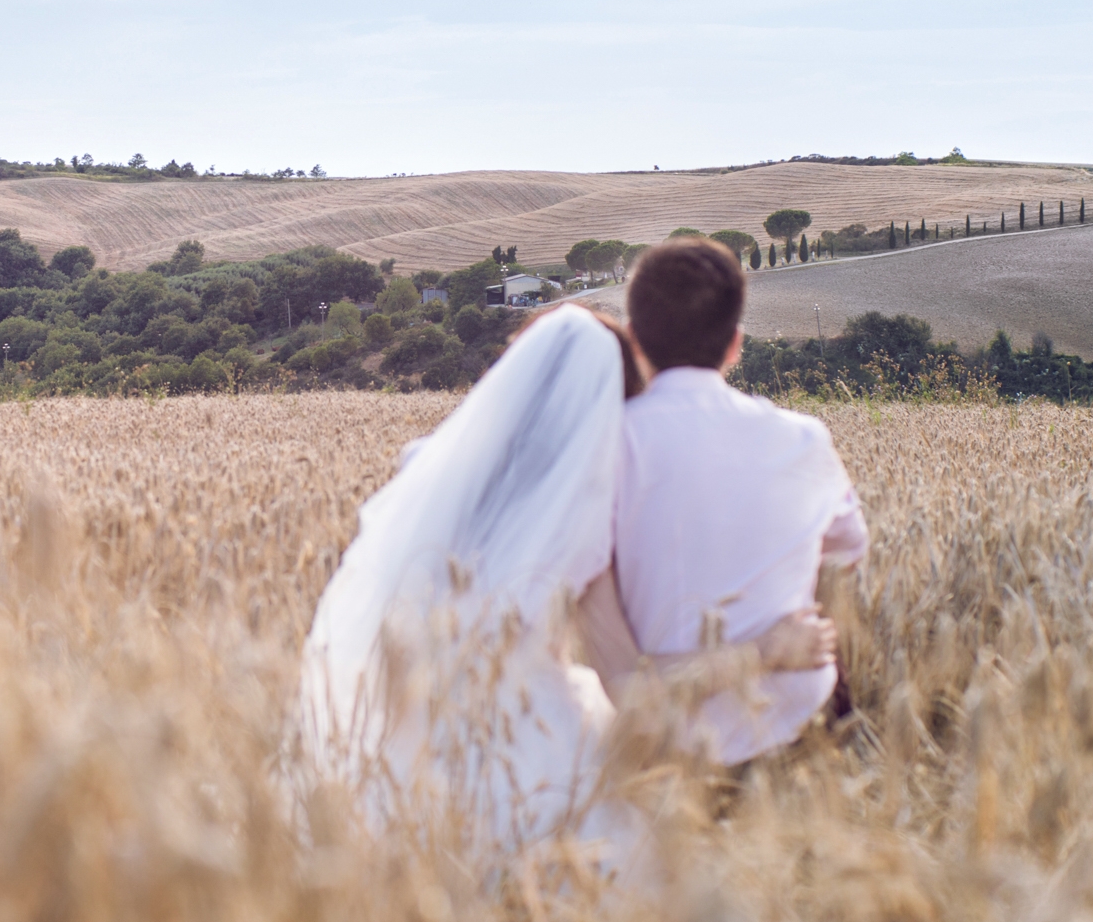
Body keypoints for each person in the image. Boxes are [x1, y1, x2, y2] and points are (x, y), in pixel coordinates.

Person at [297, 303, 836, 869]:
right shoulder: (580, 519)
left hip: (402, 761)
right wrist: (765, 651)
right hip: (531, 770)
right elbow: (632, 690)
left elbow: (388, 642)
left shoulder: (424, 469)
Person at [611, 238, 868, 766]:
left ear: (635, 341)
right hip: (797, 735)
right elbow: (848, 554)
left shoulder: (607, 445)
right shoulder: (805, 440)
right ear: (735, 344)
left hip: (654, 745)